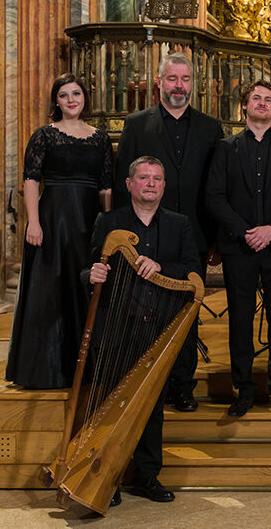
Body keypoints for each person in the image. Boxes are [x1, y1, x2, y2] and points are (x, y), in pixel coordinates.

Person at [86, 156, 200, 505]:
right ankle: (110, 477)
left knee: (152, 407)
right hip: (119, 328)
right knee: (112, 404)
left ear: (164, 186)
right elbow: (89, 267)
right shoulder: (110, 221)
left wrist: (163, 265)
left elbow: (193, 270)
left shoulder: (179, 224)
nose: (151, 183)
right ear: (129, 184)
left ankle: (147, 476)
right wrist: (92, 276)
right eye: (144, 177)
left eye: (157, 178)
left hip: (160, 329)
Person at [115, 52, 224, 412]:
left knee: (186, 315)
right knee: (141, 311)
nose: (179, 86)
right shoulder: (136, 124)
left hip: (193, 236)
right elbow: (122, 186)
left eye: (186, 79)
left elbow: (216, 187)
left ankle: (182, 386)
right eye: (173, 79)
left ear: (193, 84)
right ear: (159, 81)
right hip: (145, 233)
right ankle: (144, 384)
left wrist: (215, 239)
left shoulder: (211, 128)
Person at [207, 80, 271, 419]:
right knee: (240, 320)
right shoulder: (226, 148)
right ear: (244, 107)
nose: (262, 103)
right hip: (240, 247)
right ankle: (243, 390)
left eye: (268, 99)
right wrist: (245, 232)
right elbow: (215, 197)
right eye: (256, 98)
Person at [6, 73, 113, 389]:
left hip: (89, 222)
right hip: (52, 221)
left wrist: (108, 226)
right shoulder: (44, 136)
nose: (71, 100)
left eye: (76, 94)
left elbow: (106, 187)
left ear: (84, 98)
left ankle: (88, 371)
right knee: (50, 291)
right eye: (64, 95)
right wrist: (34, 222)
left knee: (86, 288)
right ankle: (47, 371)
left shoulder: (100, 138)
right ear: (56, 101)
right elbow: (30, 180)